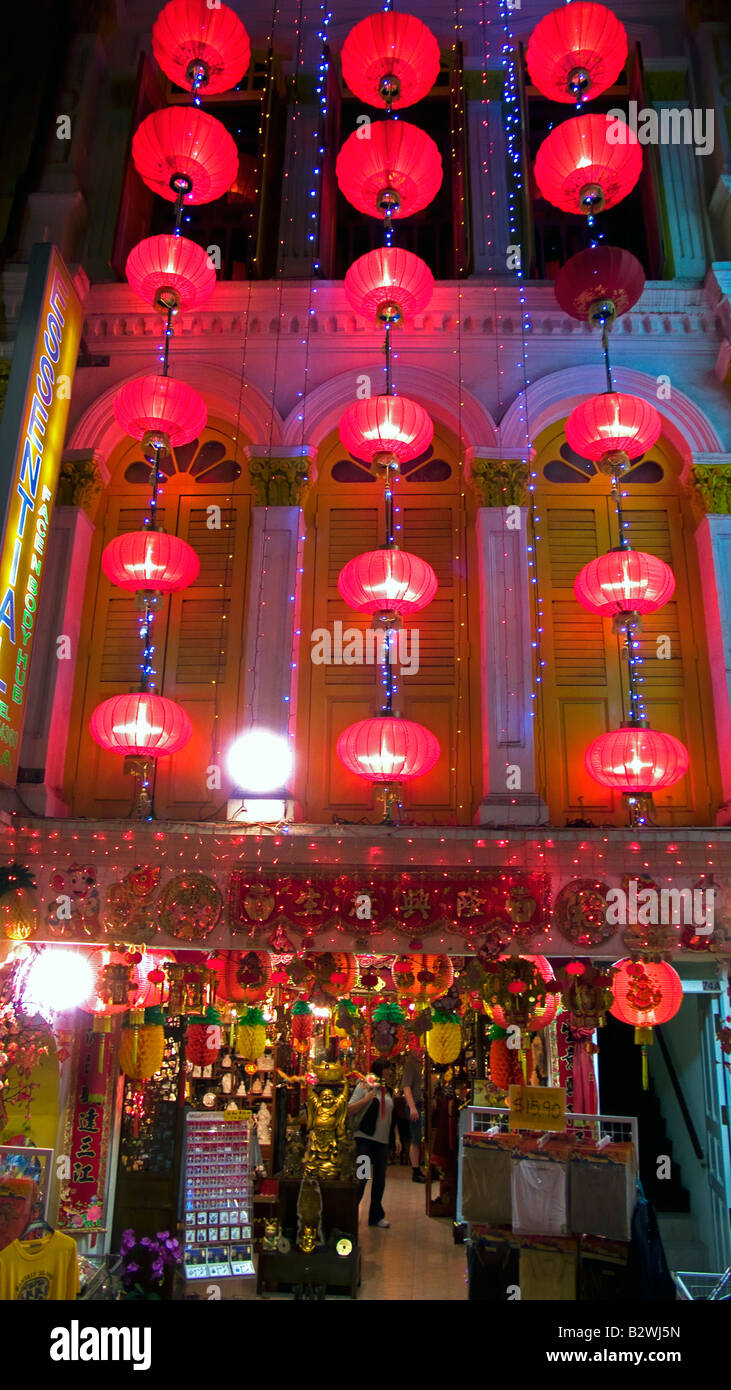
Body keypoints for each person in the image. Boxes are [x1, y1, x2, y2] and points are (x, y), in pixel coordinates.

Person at [348, 1060, 394, 1228]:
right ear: (380, 1070)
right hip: (365, 1141)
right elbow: (349, 1108)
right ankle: (350, 1212)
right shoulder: (365, 1085)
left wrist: (394, 1137)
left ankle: (376, 1216)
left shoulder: (387, 1090)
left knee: (380, 1180)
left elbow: (390, 1116)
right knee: (362, 1177)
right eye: (388, 1070)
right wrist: (366, 1099)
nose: (390, 1074)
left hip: (382, 1142)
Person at [401, 1048, 426, 1183]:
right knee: (416, 1137)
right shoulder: (410, 1064)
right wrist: (411, 1107)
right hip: (414, 1105)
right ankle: (415, 1170)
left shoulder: (421, 1063)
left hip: (420, 1104)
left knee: (420, 1137)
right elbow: (406, 1087)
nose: (422, 1051)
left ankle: (422, 1168)